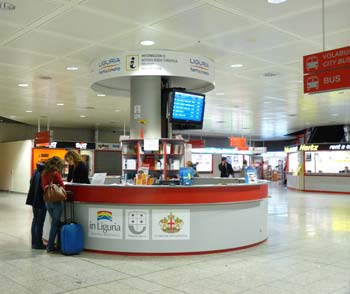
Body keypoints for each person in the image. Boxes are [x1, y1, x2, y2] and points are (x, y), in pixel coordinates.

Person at [41, 156, 65, 253]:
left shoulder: (44, 173)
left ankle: (55, 244)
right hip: (57, 201)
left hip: (48, 201)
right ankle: (50, 246)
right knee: (55, 224)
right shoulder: (56, 174)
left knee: (54, 223)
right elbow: (62, 187)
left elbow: (44, 187)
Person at [26, 161, 47, 250]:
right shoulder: (44, 173)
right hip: (41, 201)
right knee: (40, 222)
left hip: (33, 200)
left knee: (35, 220)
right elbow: (44, 187)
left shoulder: (35, 171)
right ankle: (39, 243)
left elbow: (31, 182)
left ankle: (34, 242)